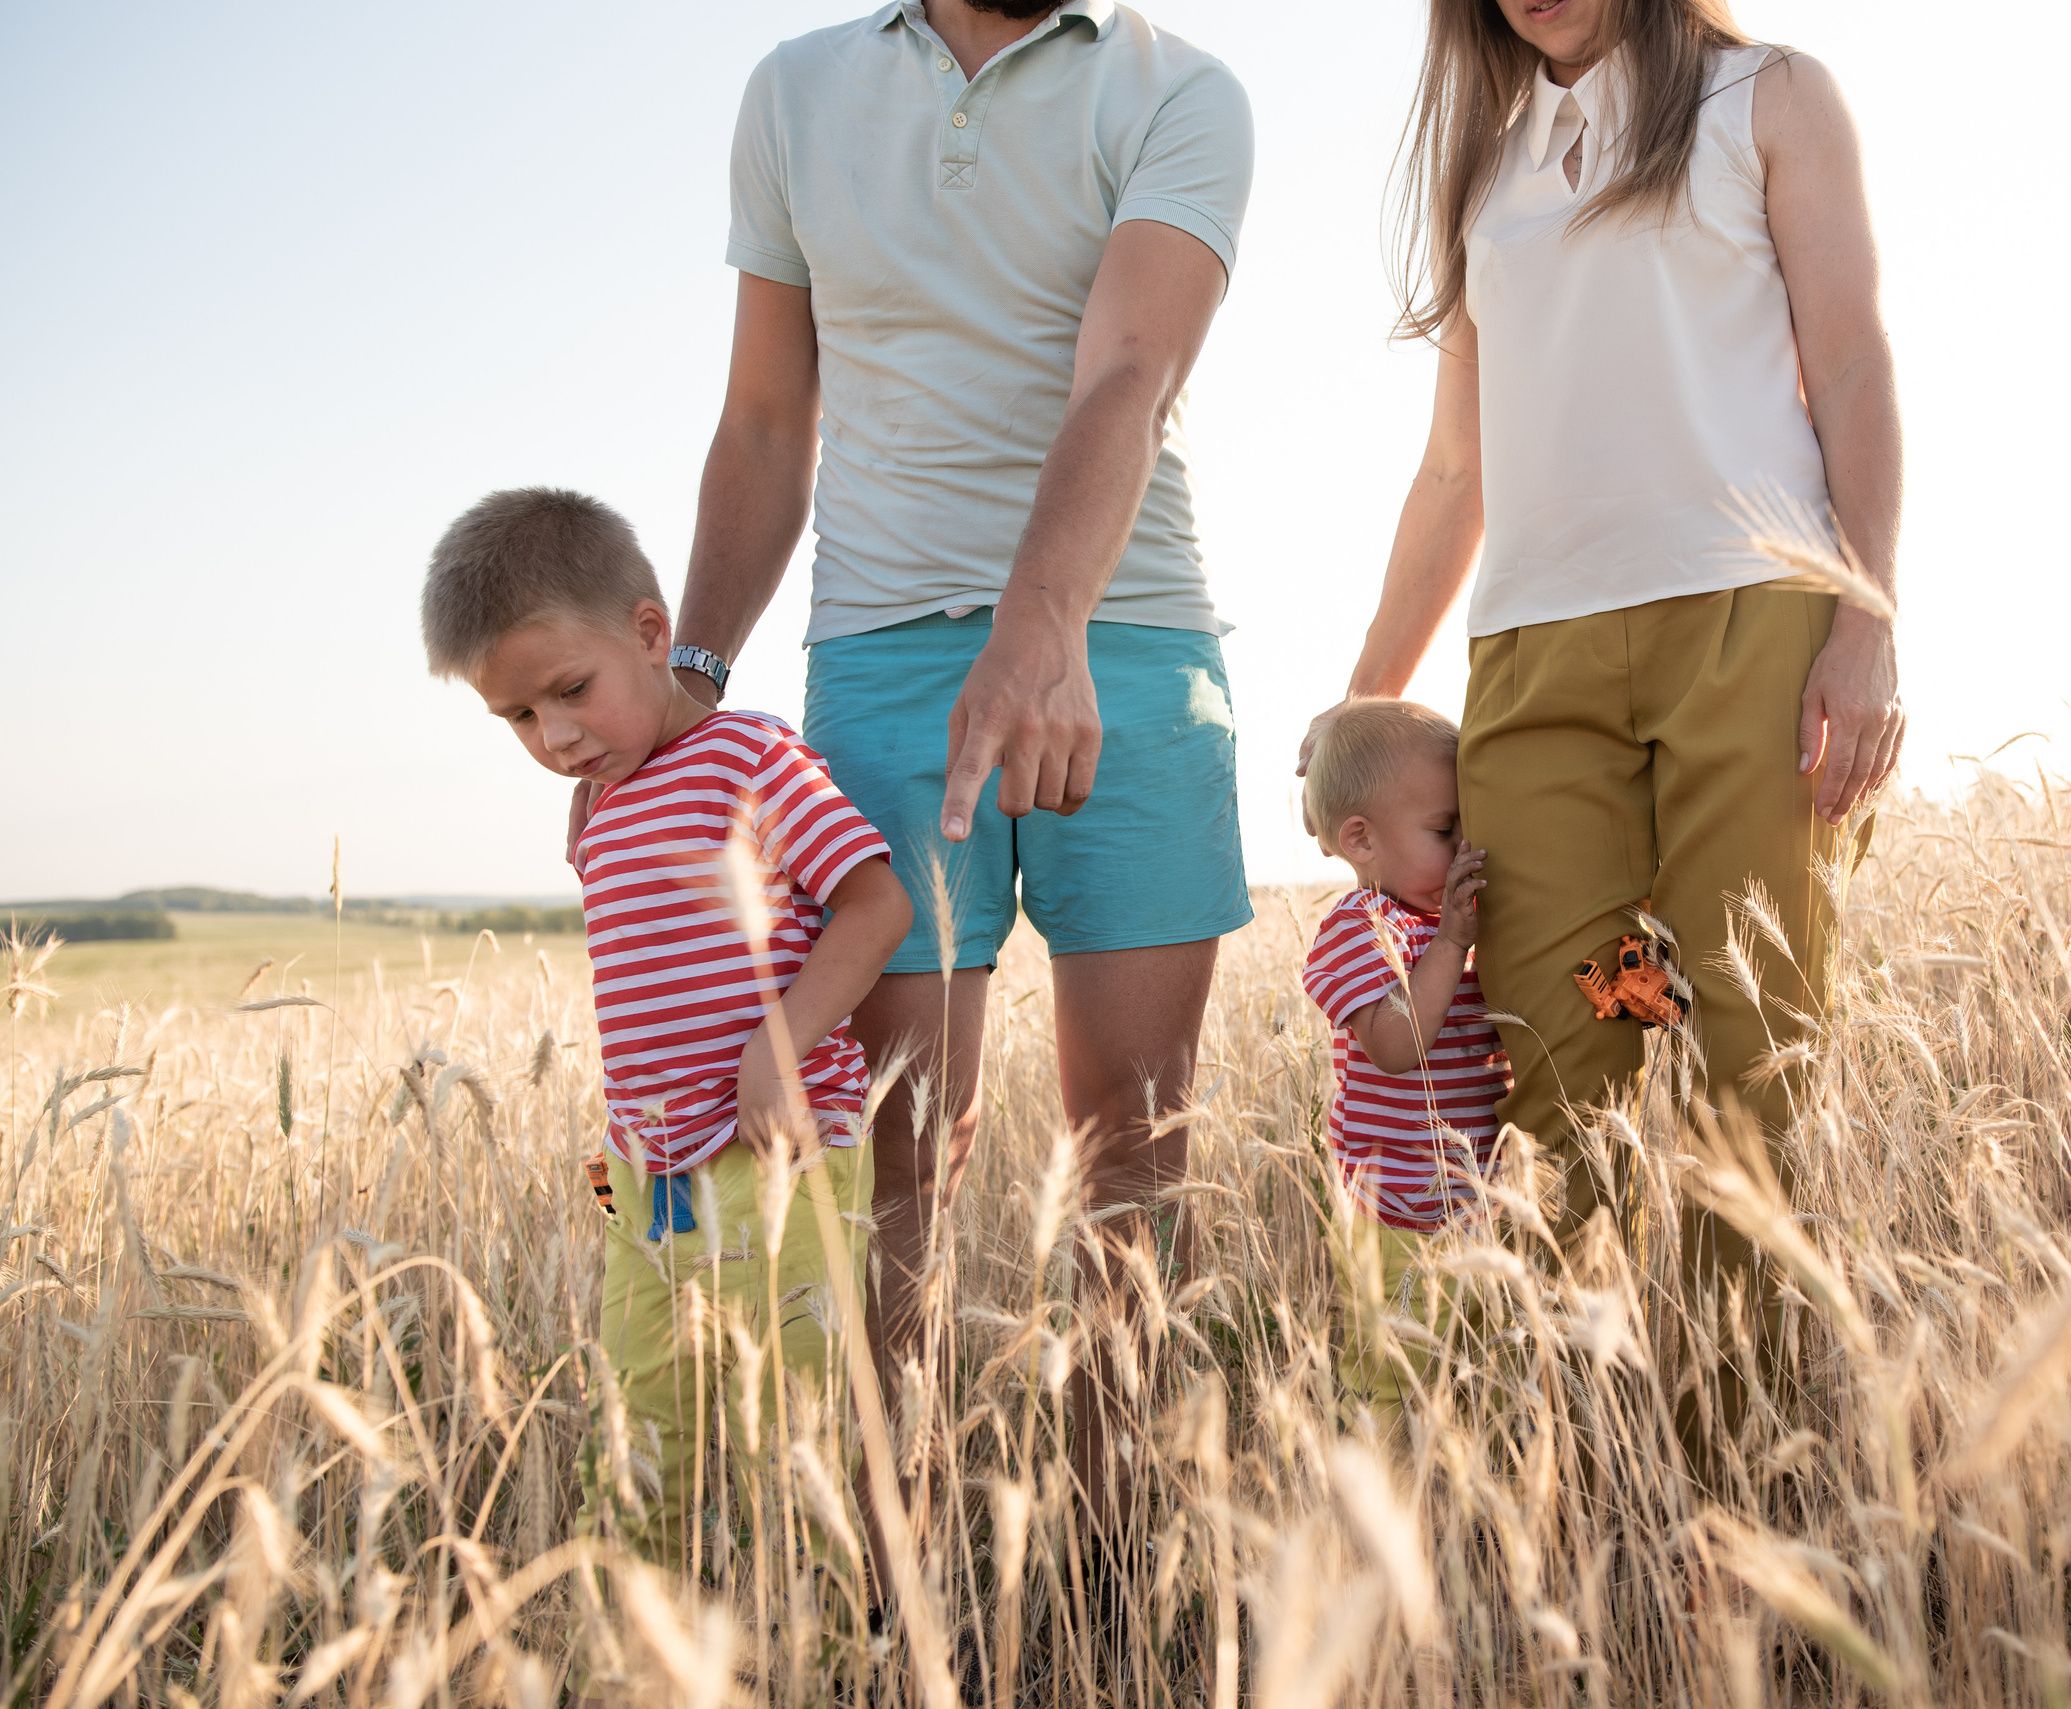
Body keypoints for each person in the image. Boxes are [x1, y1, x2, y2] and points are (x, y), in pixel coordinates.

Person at [618, 0, 1254, 1541]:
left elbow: (1129, 373)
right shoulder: (794, 91)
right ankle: (899, 1560)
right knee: (899, 1154)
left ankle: (1107, 1555)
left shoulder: (1183, 91)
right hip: (881, 662)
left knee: (1133, 1156)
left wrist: (1046, 629)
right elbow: (770, 421)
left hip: (1131, 638)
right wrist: (691, 681)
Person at [1306, 0, 1906, 1455]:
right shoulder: (1488, 170)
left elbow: (1855, 361)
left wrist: (1866, 614)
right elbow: (1457, 470)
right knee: (1572, 1059)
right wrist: (1363, 700)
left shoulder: (1772, 100)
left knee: (1743, 1055)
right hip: (1537, 676)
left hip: (1750, 639)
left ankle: (1732, 1472)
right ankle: (1584, 1473)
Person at [422, 486, 912, 1575]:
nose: (552, 736)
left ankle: (819, 1654)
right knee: (641, 1421)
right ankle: (645, 1647)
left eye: (570, 691)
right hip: (649, 1176)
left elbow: (876, 901)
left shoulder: (751, 760)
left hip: (774, 1158)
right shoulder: (600, 808)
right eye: (517, 717)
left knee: (791, 1431)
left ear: (651, 633)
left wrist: (772, 1051)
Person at [1298, 701, 1509, 1411]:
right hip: (1396, 1223)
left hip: (1480, 1213)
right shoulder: (1360, 929)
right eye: (1445, 829)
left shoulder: (1452, 919)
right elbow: (1394, 1046)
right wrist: (1451, 943)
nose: (1464, 845)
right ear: (1361, 839)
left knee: (1470, 1384)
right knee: (1392, 1386)